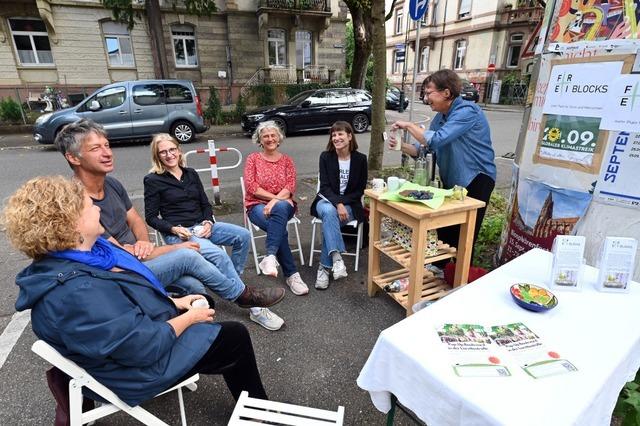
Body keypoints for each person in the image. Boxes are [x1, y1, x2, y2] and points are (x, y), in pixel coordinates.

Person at [3, 176, 268, 422]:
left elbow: (121, 302)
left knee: (201, 301)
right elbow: (142, 348)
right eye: (88, 206)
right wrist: (189, 318)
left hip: (121, 343)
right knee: (234, 336)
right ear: (69, 223)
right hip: (131, 370)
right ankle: (260, 412)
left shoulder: (85, 255)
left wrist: (175, 303)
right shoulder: (77, 291)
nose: (97, 208)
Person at [55, 118, 284, 309]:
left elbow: (135, 219)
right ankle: (242, 296)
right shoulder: (76, 202)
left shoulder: (113, 184)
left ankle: (200, 301)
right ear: (73, 157)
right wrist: (175, 243)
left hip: (145, 254)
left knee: (196, 286)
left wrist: (144, 241)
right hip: (124, 271)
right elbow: (120, 252)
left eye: (107, 145)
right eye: (96, 148)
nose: (107, 153)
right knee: (191, 256)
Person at [144, 134, 284, 331]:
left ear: (179, 150)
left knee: (242, 235)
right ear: (157, 156)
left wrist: (209, 221)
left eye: (172, 149)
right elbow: (151, 217)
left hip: (202, 226)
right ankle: (254, 306)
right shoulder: (153, 180)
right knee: (219, 254)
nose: (169, 155)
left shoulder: (190, 173)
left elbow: (205, 204)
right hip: (181, 233)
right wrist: (173, 229)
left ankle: (231, 282)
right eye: (163, 152)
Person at [390, 69, 496, 269]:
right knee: (445, 228)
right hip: (452, 181)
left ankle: (459, 280)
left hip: (477, 179)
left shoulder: (467, 111)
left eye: (429, 92)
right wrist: (401, 146)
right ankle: (440, 272)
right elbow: (426, 148)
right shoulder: (440, 117)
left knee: (465, 235)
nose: (426, 97)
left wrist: (409, 125)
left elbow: (437, 139)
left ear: (446, 92)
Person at [243, 121, 309, 295]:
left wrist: (274, 202)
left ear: (279, 138)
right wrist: (275, 199)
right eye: (266, 136)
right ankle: (291, 274)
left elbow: (291, 186)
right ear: (260, 139)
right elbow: (252, 187)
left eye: (273, 135)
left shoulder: (287, 160)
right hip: (257, 205)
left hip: (284, 205)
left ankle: (271, 256)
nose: (270, 139)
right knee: (279, 228)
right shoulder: (253, 159)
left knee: (279, 210)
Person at [310, 121, 367, 290]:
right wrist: (338, 203)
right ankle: (337, 259)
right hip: (325, 201)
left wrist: (342, 204)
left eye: (340, 134)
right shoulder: (325, 157)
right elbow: (325, 187)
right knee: (329, 211)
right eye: (333, 135)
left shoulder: (360, 159)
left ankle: (324, 268)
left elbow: (359, 190)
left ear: (350, 136)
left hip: (350, 205)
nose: (336, 138)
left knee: (330, 218)